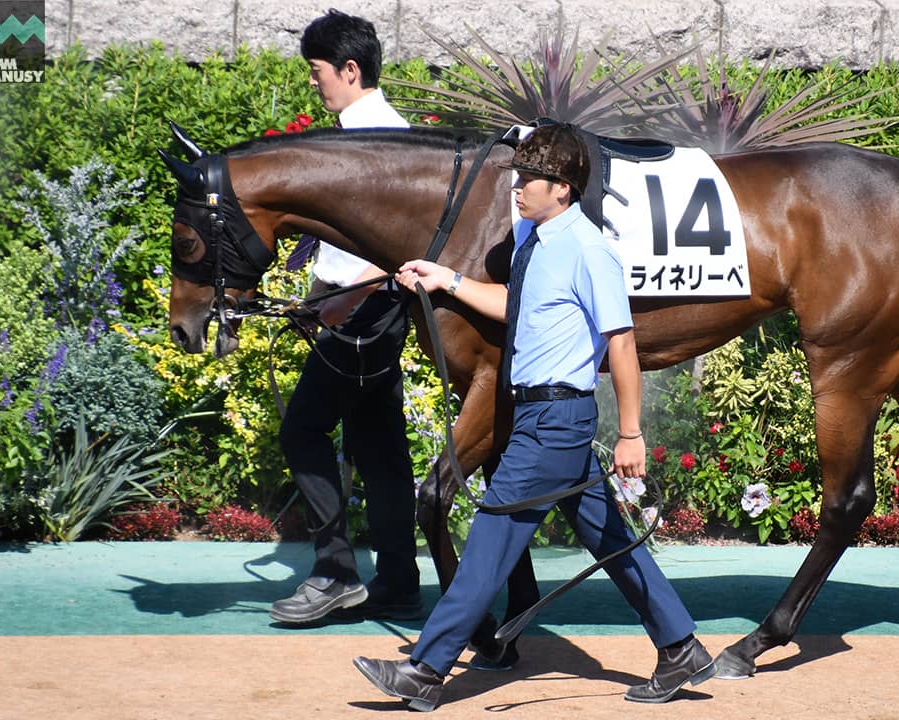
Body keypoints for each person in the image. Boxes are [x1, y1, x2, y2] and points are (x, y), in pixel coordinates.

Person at [352, 123, 715, 711]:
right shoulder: (534, 240)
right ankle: (679, 646)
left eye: (529, 179)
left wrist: (630, 432)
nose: (517, 188)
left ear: (563, 188)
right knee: (612, 539)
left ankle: (424, 671)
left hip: (554, 422)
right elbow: (513, 307)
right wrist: (446, 279)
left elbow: (621, 343)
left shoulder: (588, 249)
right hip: (541, 420)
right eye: (517, 177)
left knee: (490, 539)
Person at [269, 8, 422, 626]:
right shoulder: (380, 131)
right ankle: (399, 582)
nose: (314, 83)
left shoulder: (375, 138)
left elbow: (405, 248)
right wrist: (315, 294)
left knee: (302, 431)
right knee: (378, 444)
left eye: (317, 71)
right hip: (365, 311)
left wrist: (338, 300)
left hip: (366, 312)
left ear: (349, 69)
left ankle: (335, 574)